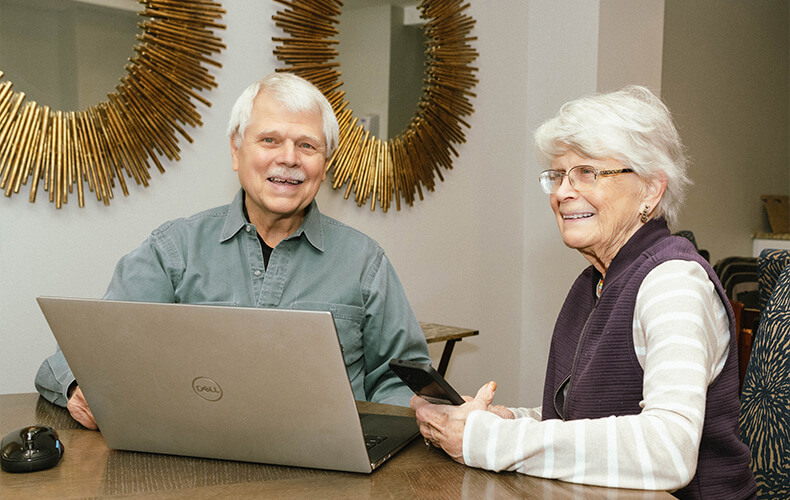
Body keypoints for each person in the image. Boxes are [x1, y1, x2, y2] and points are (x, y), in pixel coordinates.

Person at [411, 86, 757, 499]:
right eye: (557, 175)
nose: (561, 192)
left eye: (587, 173)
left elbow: (668, 449)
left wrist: (489, 440)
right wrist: (507, 421)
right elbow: (589, 420)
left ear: (650, 189)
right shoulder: (595, 282)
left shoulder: (673, 283)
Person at [36, 72, 431, 428]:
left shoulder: (366, 263)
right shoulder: (174, 249)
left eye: (307, 145)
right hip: (190, 465)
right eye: (270, 140)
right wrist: (77, 387)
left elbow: (400, 378)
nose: (289, 158)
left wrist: (430, 410)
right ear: (235, 150)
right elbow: (83, 354)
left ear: (324, 165)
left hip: (330, 472)